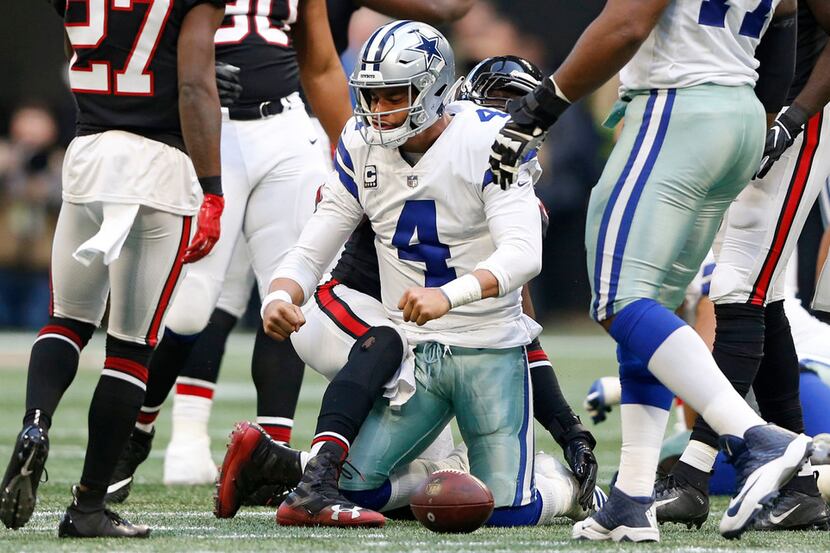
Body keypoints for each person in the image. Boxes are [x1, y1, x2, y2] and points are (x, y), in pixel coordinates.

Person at [213, 55, 599, 521]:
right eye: (500, 104)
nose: (512, 120)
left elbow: (517, 323)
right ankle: (313, 480)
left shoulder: (504, 179)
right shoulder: (376, 147)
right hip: (362, 317)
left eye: (522, 111)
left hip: (436, 340)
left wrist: (569, 428)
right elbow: (314, 245)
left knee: (447, 480)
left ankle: (274, 466)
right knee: (397, 362)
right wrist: (280, 294)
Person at [488, 0, 812, 542]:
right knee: (649, 303)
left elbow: (627, 23)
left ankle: (756, 438)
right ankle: (633, 495)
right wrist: (758, 114)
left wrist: (540, 108)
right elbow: (785, 17)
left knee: (617, 300)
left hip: (677, 106)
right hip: (738, 110)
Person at [104, 0, 353, 501]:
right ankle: (137, 433)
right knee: (191, 307)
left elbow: (321, 63)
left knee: (290, 298)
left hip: (286, 127)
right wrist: (187, 76)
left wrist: (356, 146)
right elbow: (136, 46)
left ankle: (272, 458)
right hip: (208, 127)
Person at [0, 0, 227, 538]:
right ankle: (87, 507)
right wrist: (213, 187)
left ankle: (36, 422)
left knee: (66, 320)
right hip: (157, 166)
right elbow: (195, 85)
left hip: (89, 155)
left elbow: (75, 47)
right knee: (129, 346)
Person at [655, 0, 830, 532]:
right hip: (744, 116)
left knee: (736, 285)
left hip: (798, 117)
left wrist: (795, 116)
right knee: (762, 291)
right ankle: (800, 489)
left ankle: (693, 474)